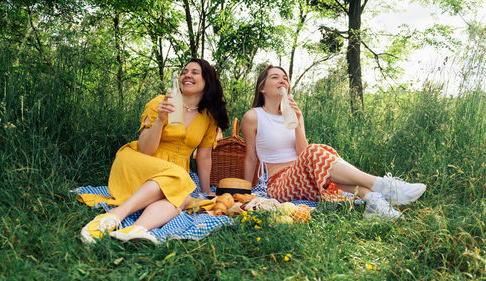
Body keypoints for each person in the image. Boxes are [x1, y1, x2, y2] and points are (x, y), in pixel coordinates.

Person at [241, 65, 426, 219]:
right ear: (262, 88)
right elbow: (250, 157)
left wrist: (298, 121)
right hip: (278, 183)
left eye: (285, 78)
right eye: (275, 77)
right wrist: (245, 192)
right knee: (317, 152)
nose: (282, 81)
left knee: (324, 167)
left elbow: (302, 153)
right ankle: (384, 185)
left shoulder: (294, 113)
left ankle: (375, 204)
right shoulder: (253, 116)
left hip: (305, 174)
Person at [81, 58, 229, 243]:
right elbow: (145, 150)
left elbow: (205, 156)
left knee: (181, 200)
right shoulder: (161, 102)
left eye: (194, 72)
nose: (187, 75)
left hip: (175, 176)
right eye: (184, 72)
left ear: (208, 81)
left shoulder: (208, 116)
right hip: (140, 163)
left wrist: (205, 191)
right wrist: (160, 119)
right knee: (177, 179)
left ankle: (135, 230)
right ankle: (114, 215)